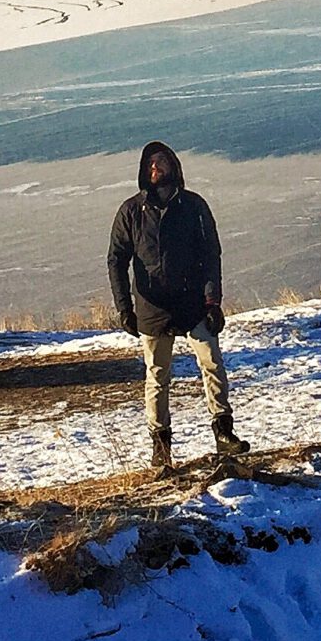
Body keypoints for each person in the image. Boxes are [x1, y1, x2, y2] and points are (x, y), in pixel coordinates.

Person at [107, 140, 247, 470]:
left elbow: (211, 254)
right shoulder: (131, 212)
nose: (155, 168)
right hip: (152, 307)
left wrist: (212, 301)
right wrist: (124, 307)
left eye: (161, 162)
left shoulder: (194, 206)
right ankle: (161, 446)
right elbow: (116, 260)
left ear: (174, 167)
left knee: (211, 361)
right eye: (150, 163)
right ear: (143, 170)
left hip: (193, 302)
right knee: (157, 375)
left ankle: (224, 433)